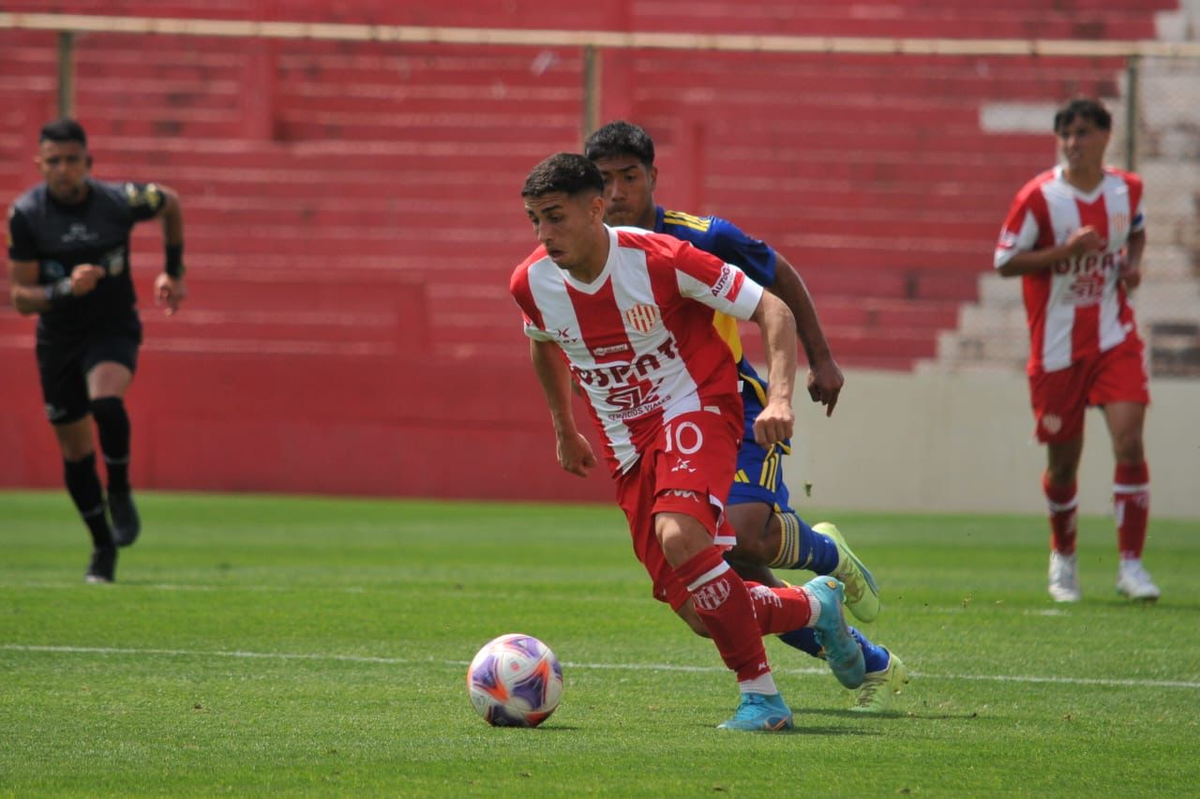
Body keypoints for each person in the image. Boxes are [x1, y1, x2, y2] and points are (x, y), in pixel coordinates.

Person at [511, 152, 864, 731]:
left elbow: (771, 308)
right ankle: (815, 603)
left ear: (595, 209)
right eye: (534, 221)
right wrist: (563, 425)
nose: (544, 235)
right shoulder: (532, 281)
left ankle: (764, 701)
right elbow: (542, 341)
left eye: (555, 217)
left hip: (695, 406)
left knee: (679, 534)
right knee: (704, 613)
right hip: (627, 446)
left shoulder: (661, 258)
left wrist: (778, 398)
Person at [584, 120, 907, 711]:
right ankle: (861, 654)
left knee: (748, 534)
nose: (620, 192)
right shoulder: (582, 257)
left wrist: (820, 360)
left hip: (728, 405)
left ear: (653, 177)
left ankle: (829, 558)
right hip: (656, 429)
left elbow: (776, 282)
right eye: (605, 180)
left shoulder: (700, 238)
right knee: (731, 579)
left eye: (630, 177)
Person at [6, 118, 188, 584]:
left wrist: (173, 272)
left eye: (72, 160)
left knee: (106, 401)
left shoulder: (117, 202)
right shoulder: (26, 215)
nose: (64, 170)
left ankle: (121, 491)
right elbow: (20, 296)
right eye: (54, 162)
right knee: (75, 454)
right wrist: (66, 287)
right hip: (60, 338)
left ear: (89, 162)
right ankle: (102, 547)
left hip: (112, 327)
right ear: (39, 164)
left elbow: (171, 203)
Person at [994, 97, 1158, 603]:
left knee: (1129, 442)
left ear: (1105, 137)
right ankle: (1063, 558)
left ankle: (1131, 565)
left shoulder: (1125, 189)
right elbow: (1004, 260)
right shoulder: (1039, 197)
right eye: (1065, 134)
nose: (1073, 143)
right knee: (1064, 464)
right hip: (1058, 348)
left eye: (1083, 133)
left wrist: (1131, 266)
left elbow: (1136, 231)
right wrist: (1065, 253)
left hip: (1114, 336)